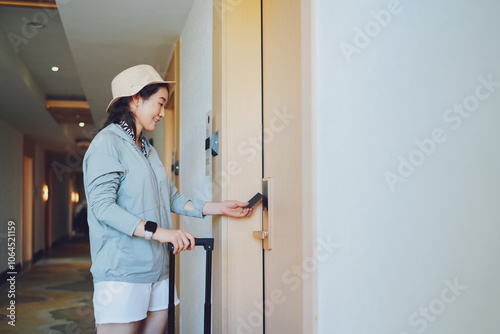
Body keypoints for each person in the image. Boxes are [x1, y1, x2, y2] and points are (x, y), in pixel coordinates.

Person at [83, 64, 252, 334]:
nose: (163, 113)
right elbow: (103, 207)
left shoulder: (146, 148)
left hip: (158, 270)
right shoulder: (107, 144)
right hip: (122, 274)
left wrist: (217, 207)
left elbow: (170, 197)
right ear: (136, 99)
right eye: (160, 104)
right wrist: (160, 233)